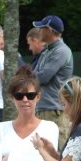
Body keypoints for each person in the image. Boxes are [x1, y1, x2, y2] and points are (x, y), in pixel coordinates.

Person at [31, 14, 74, 148]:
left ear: (49, 30)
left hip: (54, 110)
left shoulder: (61, 51)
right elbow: (35, 75)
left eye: (41, 28)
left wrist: (30, 77)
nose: (38, 31)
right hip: (45, 108)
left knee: (58, 151)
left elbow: (42, 77)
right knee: (42, 151)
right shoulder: (47, 51)